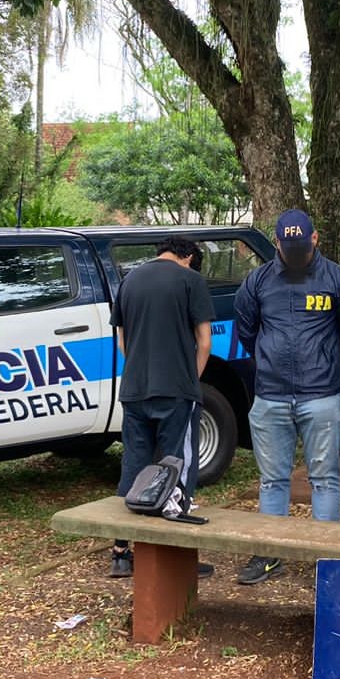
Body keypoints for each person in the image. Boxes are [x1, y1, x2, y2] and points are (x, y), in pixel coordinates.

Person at [233, 209, 340, 584]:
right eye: (289, 249)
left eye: (302, 248)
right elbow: (247, 332)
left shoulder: (338, 280)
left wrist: (330, 366)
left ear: (315, 239)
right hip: (271, 396)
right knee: (272, 480)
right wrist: (271, 364)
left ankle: (324, 560)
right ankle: (270, 554)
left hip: (322, 394)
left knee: (324, 478)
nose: (297, 255)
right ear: (277, 244)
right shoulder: (257, 282)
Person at [108, 236, 214, 579]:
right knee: (177, 465)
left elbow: (122, 340)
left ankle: (120, 551)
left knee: (134, 464)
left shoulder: (129, 281)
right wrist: (191, 379)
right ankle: (174, 557)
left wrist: (141, 369)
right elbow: (204, 341)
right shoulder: (190, 280)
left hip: (134, 388)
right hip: (176, 390)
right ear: (188, 257)